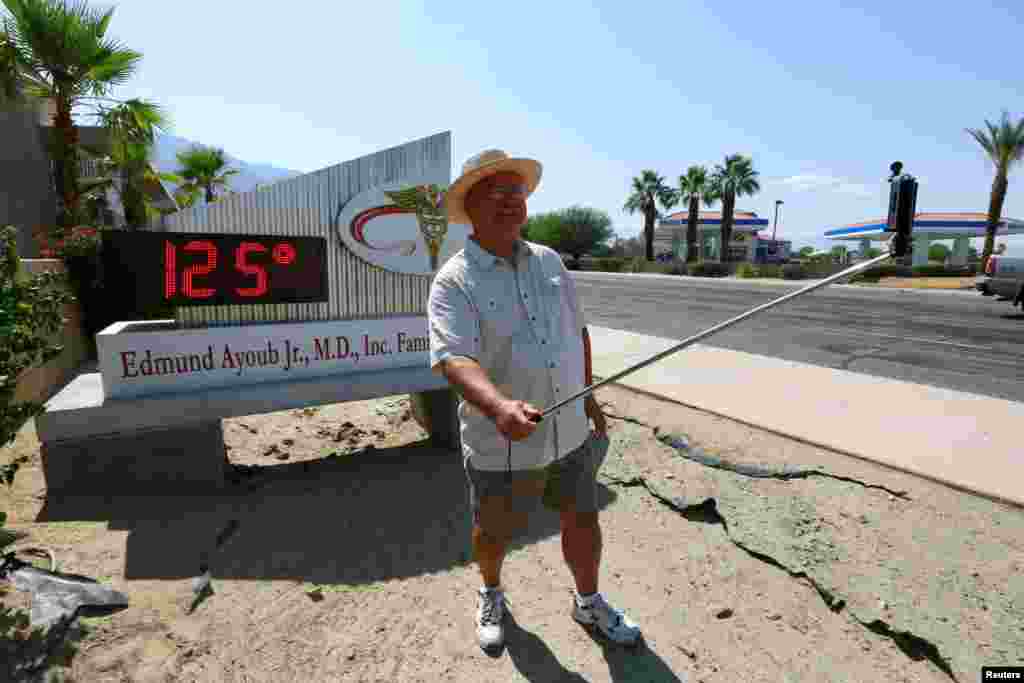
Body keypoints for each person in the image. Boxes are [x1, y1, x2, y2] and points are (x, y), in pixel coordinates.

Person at [428, 149, 643, 654]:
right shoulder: (454, 280)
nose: (511, 202)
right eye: (497, 193)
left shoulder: (550, 262)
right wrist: (499, 406)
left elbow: (578, 331)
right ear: (471, 206)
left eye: (517, 192)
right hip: (499, 442)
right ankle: (491, 591)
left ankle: (588, 601)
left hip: (568, 432)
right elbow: (453, 359)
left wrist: (588, 395)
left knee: (582, 519)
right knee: (495, 530)